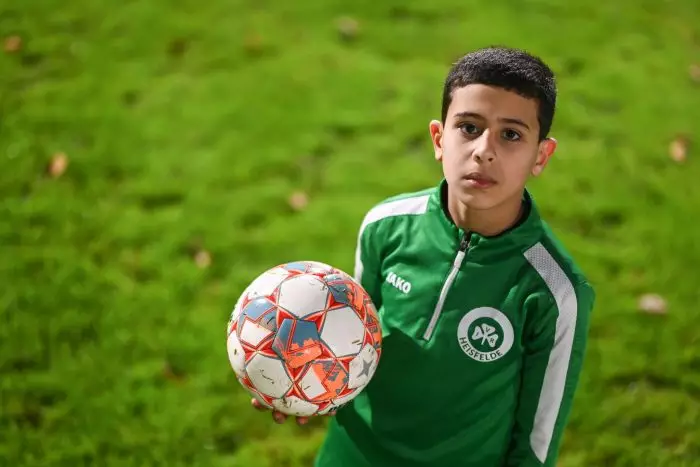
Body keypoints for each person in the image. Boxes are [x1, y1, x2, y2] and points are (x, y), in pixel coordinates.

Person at [252, 45, 596, 467]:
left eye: (511, 135)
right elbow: (351, 337)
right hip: (351, 455)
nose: (484, 150)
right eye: (469, 127)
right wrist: (296, 379)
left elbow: (537, 443)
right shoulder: (385, 226)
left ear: (540, 155)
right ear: (438, 139)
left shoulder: (555, 291)